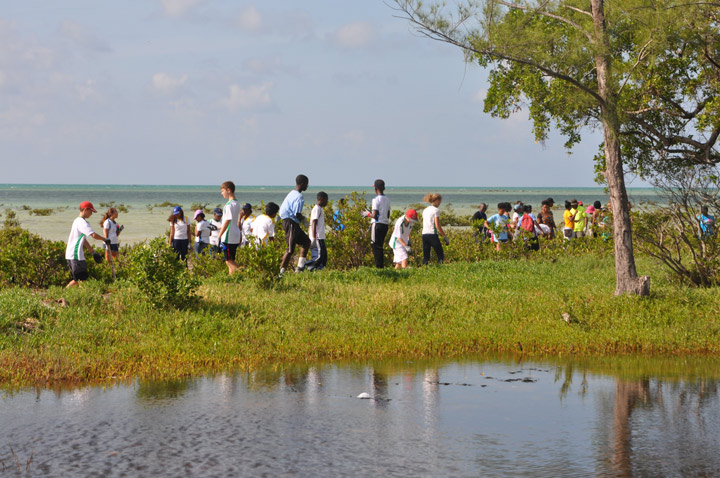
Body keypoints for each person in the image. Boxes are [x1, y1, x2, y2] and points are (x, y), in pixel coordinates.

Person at [65, 201, 111, 288]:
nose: (91, 214)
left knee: (81, 279)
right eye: (91, 211)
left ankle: (77, 295)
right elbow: (93, 235)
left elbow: (83, 239)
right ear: (85, 210)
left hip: (73, 254)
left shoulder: (77, 221)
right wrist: (105, 239)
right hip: (75, 255)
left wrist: (92, 251)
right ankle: (63, 294)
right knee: (79, 280)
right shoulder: (82, 222)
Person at [279, 174, 312, 275]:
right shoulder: (299, 197)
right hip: (291, 222)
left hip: (290, 222)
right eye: (306, 184)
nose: (307, 186)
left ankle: (300, 268)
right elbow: (296, 213)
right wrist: (304, 220)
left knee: (306, 242)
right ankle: (281, 273)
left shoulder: (292, 193)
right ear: (302, 184)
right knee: (290, 249)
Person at [364, 179, 391, 268]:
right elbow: (388, 214)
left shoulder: (375, 199)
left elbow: (374, 215)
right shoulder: (387, 199)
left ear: (375, 189)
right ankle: (381, 266)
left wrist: (367, 214)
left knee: (374, 245)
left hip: (377, 224)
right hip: (385, 224)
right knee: (380, 246)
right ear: (384, 188)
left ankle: (379, 267)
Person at [218, 181, 242, 274]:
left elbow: (227, 221)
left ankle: (244, 273)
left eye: (223, 191)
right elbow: (230, 220)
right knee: (230, 259)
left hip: (229, 236)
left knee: (228, 260)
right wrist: (220, 227)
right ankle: (231, 280)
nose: (222, 193)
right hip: (235, 234)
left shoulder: (228, 205)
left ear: (228, 190)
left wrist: (219, 235)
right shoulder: (237, 203)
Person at [421, 193, 449, 265]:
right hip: (432, 234)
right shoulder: (436, 210)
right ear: (436, 200)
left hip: (424, 234)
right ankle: (440, 268)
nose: (440, 203)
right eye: (440, 201)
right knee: (440, 254)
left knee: (426, 256)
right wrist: (445, 236)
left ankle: (424, 269)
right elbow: (437, 225)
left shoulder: (425, 210)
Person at [308, 191, 329, 271]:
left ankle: (321, 269)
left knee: (324, 256)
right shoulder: (316, 209)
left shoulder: (320, 209)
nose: (327, 202)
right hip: (317, 236)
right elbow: (314, 222)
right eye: (326, 200)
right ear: (322, 199)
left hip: (321, 237)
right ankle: (308, 267)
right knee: (319, 257)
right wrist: (313, 237)